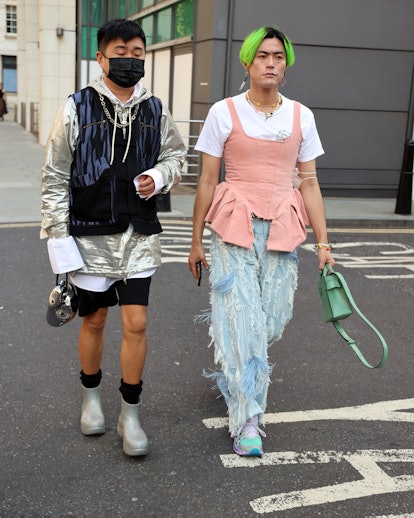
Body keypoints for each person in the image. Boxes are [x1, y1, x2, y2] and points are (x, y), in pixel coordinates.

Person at [41, 19, 186, 456]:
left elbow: (176, 155)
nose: (130, 59)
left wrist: (158, 177)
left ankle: (131, 414)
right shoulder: (75, 108)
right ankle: (90, 400)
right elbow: (54, 176)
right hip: (88, 237)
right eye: (121, 51)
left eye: (138, 52)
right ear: (101, 57)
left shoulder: (156, 110)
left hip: (138, 236)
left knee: (137, 322)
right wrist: (58, 239)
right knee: (95, 320)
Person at [188, 26, 335, 457]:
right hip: (233, 225)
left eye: (278, 57)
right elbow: (208, 180)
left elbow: (309, 182)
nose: (271, 63)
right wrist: (194, 242)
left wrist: (324, 242)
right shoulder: (223, 112)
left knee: (269, 322)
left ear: (285, 65)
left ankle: (239, 377)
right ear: (249, 63)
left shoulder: (301, 116)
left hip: (283, 228)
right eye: (263, 56)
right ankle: (247, 418)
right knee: (243, 323)